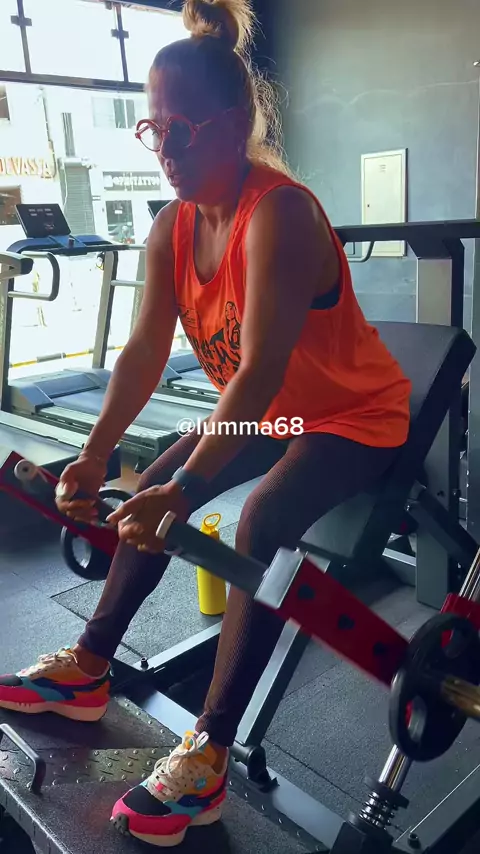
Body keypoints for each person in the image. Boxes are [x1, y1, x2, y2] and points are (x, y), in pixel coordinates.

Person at [0, 0, 412, 847]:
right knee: (148, 485)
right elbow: (143, 353)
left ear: (234, 124)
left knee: (258, 521)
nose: (167, 151)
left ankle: (210, 753)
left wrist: (187, 491)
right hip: (276, 417)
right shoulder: (171, 226)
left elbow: (257, 373)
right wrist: (98, 454)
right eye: (154, 131)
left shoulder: (279, 214)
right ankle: (88, 667)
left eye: (182, 132)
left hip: (353, 416)